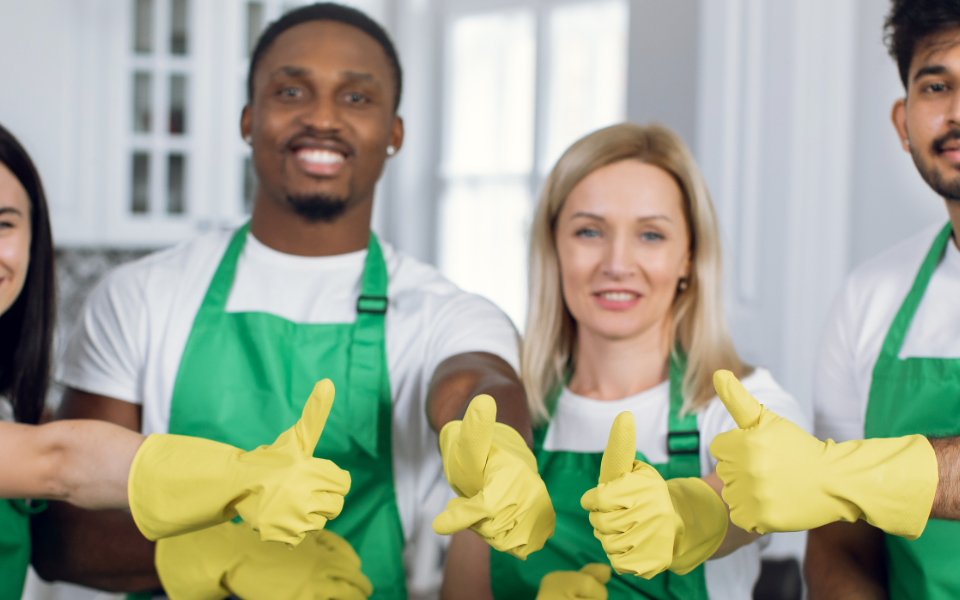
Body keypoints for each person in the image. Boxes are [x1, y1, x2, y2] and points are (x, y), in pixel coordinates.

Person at [33, 4, 541, 598]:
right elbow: (64, 537)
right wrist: (215, 557)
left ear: (394, 133)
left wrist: (498, 447)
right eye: (292, 90)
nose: (322, 118)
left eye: (356, 98)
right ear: (249, 120)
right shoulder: (142, 297)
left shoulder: (443, 312)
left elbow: (475, 383)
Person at [0, 123, 373, 599]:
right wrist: (238, 479)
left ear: (35, 236)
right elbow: (59, 462)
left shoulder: (14, 405)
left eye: (3, 223)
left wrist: (236, 497)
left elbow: (75, 460)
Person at [440, 123, 808, 600]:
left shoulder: (741, 405)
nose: (617, 262)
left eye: (651, 235)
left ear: (688, 258)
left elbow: (765, 489)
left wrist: (683, 517)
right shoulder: (508, 415)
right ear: (554, 246)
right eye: (589, 231)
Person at [705, 1, 960, 598]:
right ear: (902, 122)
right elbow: (839, 537)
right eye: (936, 84)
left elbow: (837, 484)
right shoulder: (869, 298)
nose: (956, 112)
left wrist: (841, 474)